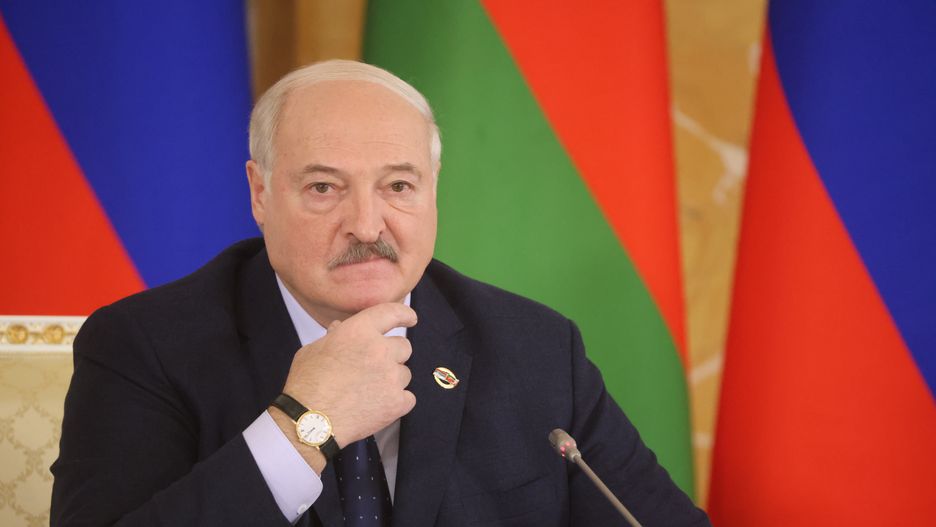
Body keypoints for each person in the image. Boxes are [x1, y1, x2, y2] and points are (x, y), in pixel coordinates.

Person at [51, 60, 710, 526]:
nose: (367, 226)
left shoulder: (536, 349)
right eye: (324, 188)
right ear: (260, 193)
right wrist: (303, 426)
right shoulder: (146, 346)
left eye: (398, 186)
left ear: (433, 188)